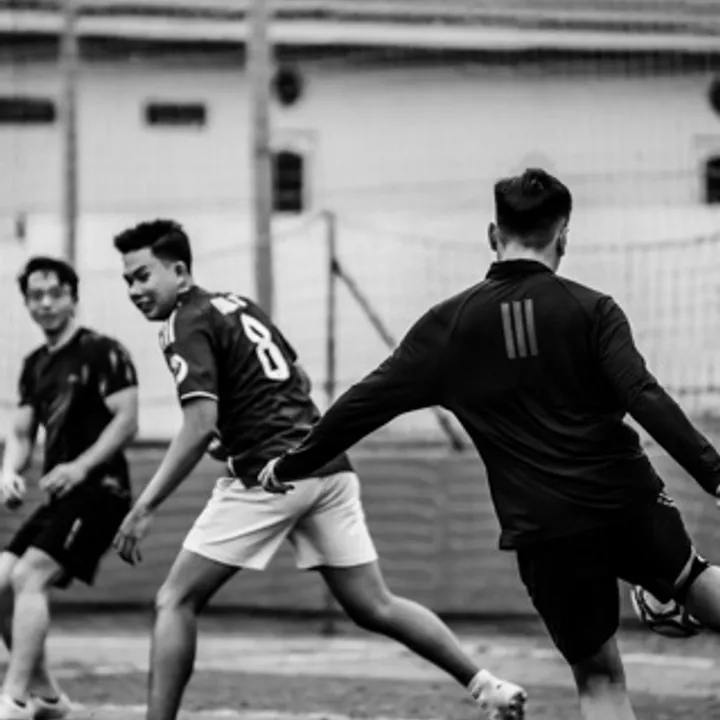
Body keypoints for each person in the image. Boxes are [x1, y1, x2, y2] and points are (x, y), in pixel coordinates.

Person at [259, 168, 720, 720]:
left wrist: (293, 463)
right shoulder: (593, 309)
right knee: (693, 581)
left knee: (600, 681)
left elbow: (363, 404)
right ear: (563, 235)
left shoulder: (448, 326)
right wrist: (714, 474)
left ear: (492, 234)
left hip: (546, 528)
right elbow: (644, 395)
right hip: (627, 502)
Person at [111, 219, 527, 720]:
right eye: (127, 280)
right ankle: (487, 686)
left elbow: (199, 425)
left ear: (179, 272)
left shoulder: (183, 321)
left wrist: (145, 505)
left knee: (175, 601)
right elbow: (298, 379)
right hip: (326, 466)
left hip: (271, 474)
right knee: (373, 604)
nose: (134, 290)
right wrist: (238, 430)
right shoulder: (238, 304)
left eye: (143, 276)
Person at [0, 256, 139, 720]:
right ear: (26, 303)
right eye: (35, 295)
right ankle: (48, 698)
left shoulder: (103, 351)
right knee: (1, 582)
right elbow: (21, 433)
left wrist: (80, 467)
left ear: (73, 298)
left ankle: (13, 698)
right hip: (60, 497)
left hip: (102, 492)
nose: (45, 303)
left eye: (55, 293)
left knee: (28, 576)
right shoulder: (35, 365)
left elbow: (127, 421)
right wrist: (9, 471)